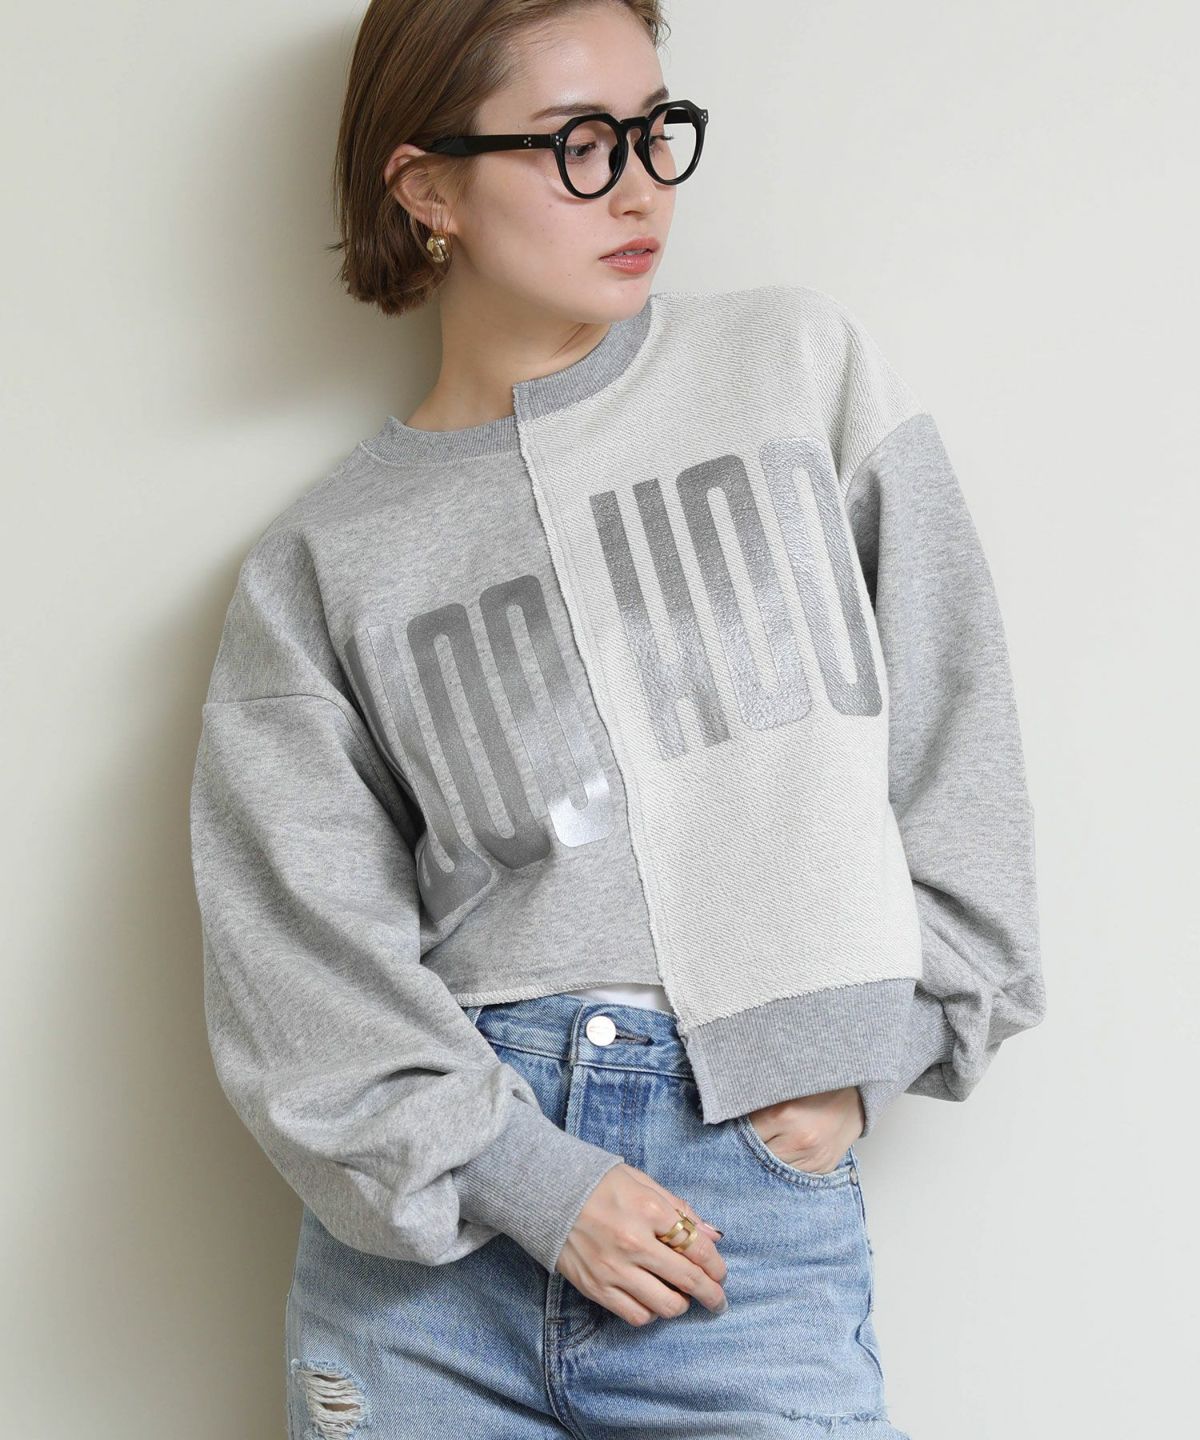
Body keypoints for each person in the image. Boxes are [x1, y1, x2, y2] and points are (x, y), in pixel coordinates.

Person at [188, 1, 1046, 1435]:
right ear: (427, 187)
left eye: (656, 130)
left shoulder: (794, 371)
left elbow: (961, 724)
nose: (641, 186)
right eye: (579, 143)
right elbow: (295, 959)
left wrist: (884, 1038)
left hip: (738, 1223)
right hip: (430, 1264)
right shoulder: (323, 560)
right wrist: (530, 1176)